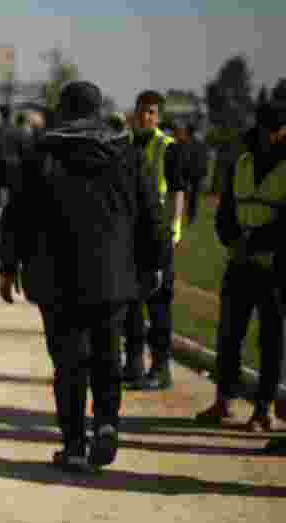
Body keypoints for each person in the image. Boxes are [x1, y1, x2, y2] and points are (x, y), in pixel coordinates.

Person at [0, 80, 166, 472]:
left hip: (56, 279)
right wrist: (155, 262)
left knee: (69, 365)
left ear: (63, 109)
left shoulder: (41, 154)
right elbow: (150, 213)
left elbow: (16, 216)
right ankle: (106, 423)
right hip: (113, 277)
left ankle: (74, 445)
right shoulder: (125, 154)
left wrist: (8, 266)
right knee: (108, 356)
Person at [195, 95, 286, 433]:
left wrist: (257, 242)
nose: (272, 135)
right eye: (268, 129)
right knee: (229, 335)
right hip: (240, 263)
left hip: (276, 267)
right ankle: (224, 401)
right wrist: (234, 241)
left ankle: (264, 410)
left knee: (272, 340)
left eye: (278, 129)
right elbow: (225, 214)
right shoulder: (242, 164)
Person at [121, 90, 187, 391]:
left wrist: (173, 230)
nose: (145, 117)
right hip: (131, 236)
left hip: (158, 237)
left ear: (158, 117)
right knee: (130, 303)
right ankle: (133, 364)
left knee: (158, 304)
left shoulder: (168, 148)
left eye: (151, 112)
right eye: (141, 111)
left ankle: (160, 369)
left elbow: (177, 192)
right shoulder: (127, 145)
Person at [176, 123, 210, 226]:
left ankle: (181, 216)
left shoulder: (185, 143)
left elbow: (183, 158)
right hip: (198, 174)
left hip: (188, 173)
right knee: (194, 198)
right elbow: (205, 159)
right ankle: (191, 218)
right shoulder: (201, 144)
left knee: (183, 195)